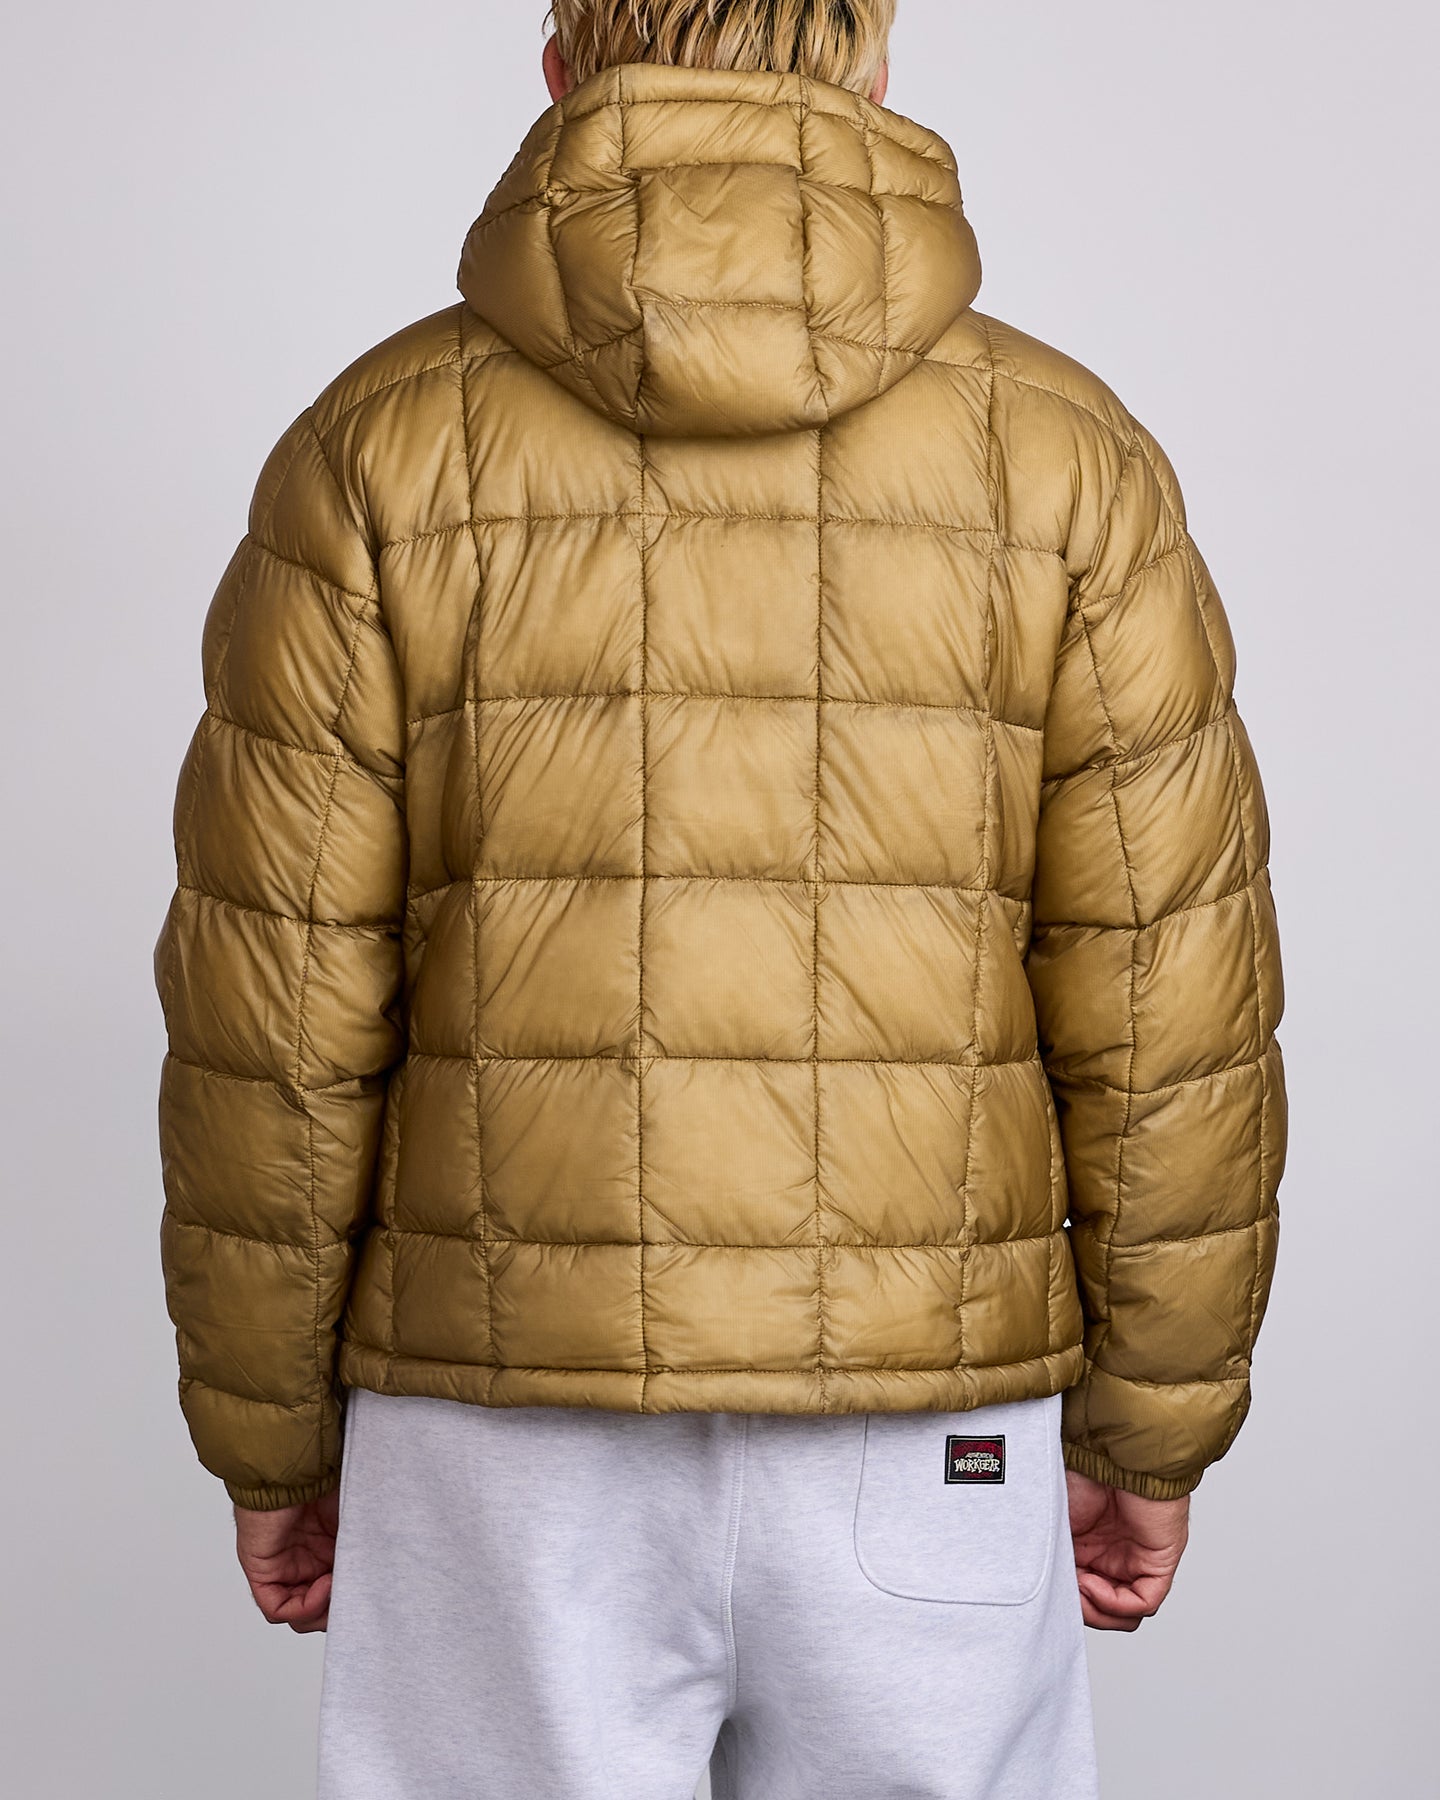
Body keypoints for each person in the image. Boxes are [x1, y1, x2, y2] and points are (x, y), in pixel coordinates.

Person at [154, 3, 1286, 1795]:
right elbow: (1171, 1005)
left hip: (498, 1421)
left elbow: (272, 1017)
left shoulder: (371, 454)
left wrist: (270, 1432)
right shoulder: (1071, 462)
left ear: (558, 70)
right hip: (930, 1412)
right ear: (876, 66)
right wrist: (1153, 1426)